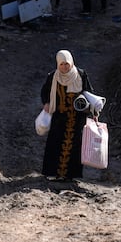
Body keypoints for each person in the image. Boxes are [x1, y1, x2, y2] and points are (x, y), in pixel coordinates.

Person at [40, 50, 94, 181]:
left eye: (67, 64)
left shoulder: (80, 75)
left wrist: (93, 110)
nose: (64, 67)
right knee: (55, 143)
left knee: (74, 145)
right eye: (62, 64)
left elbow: (89, 93)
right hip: (59, 117)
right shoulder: (53, 77)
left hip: (77, 118)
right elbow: (45, 92)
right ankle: (53, 173)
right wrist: (46, 103)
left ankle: (71, 175)